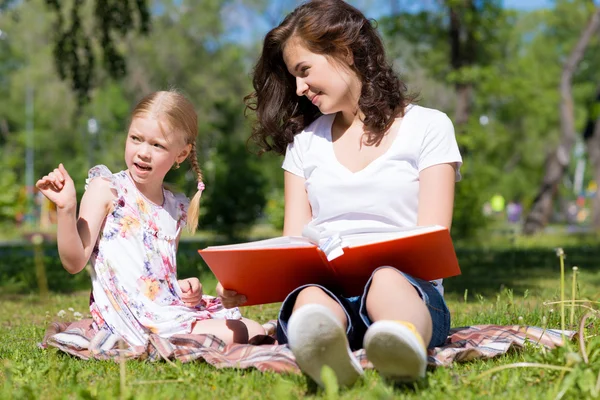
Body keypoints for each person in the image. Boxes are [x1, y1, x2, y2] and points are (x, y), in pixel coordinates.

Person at [219, 0, 462, 388]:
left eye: (304, 70)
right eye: (293, 77)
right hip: (330, 290)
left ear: (344, 50)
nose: (299, 88)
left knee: (385, 280)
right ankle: (326, 355)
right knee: (312, 297)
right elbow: (295, 243)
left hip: (408, 288)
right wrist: (244, 281)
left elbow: (432, 240)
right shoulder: (304, 144)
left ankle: (403, 345)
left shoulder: (429, 127)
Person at [36, 90, 264, 348]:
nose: (143, 152)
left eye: (158, 145)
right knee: (240, 332)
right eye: (136, 138)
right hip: (131, 318)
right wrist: (66, 208)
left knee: (251, 328)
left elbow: (157, 279)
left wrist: (184, 289)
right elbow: (74, 262)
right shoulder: (107, 188)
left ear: (181, 154)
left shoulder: (174, 207)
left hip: (162, 309)